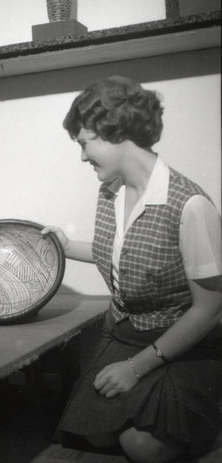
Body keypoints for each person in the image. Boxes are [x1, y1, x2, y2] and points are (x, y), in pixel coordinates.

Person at [41, 76, 222, 463]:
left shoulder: (189, 205)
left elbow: (209, 309)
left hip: (183, 345)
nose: (82, 156)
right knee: (100, 437)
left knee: (142, 448)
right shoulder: (112, 190)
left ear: (115, 133)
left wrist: (137, 369)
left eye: (84, 143)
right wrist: (66, 245)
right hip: (124, 335)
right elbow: (122, 252)